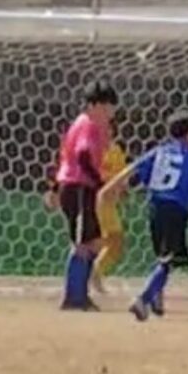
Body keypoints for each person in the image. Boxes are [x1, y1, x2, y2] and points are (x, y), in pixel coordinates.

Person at [97, 111, 188, 321]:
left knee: (162, 257)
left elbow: (132, 170)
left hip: (155, 208)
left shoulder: (159, 151)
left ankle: (157, 301)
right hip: (176, 211)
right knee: (168, 261)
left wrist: (109, 188)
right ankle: (143, 299)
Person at [53, 82, 118, 311]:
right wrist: (100, 183)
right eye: (106, 107)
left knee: (95, 242)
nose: (110, 112)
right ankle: (74, 297)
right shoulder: (88, 124)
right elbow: (81, 156)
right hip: (79, 187)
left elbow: (65, 156)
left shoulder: (84, 125)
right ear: (93, 106)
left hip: (78, 187)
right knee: (82, 243)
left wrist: (54, 187)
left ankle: (81, 293)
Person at [92, 122, 128, 295]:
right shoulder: (91, 149)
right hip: (93, 200)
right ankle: (92, 275)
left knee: (115, 243)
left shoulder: (116, 151)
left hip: (108, 203)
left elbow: (122, 175)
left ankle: (94, 273)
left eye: (109, 128)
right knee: (101, 241)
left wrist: (122, 189)